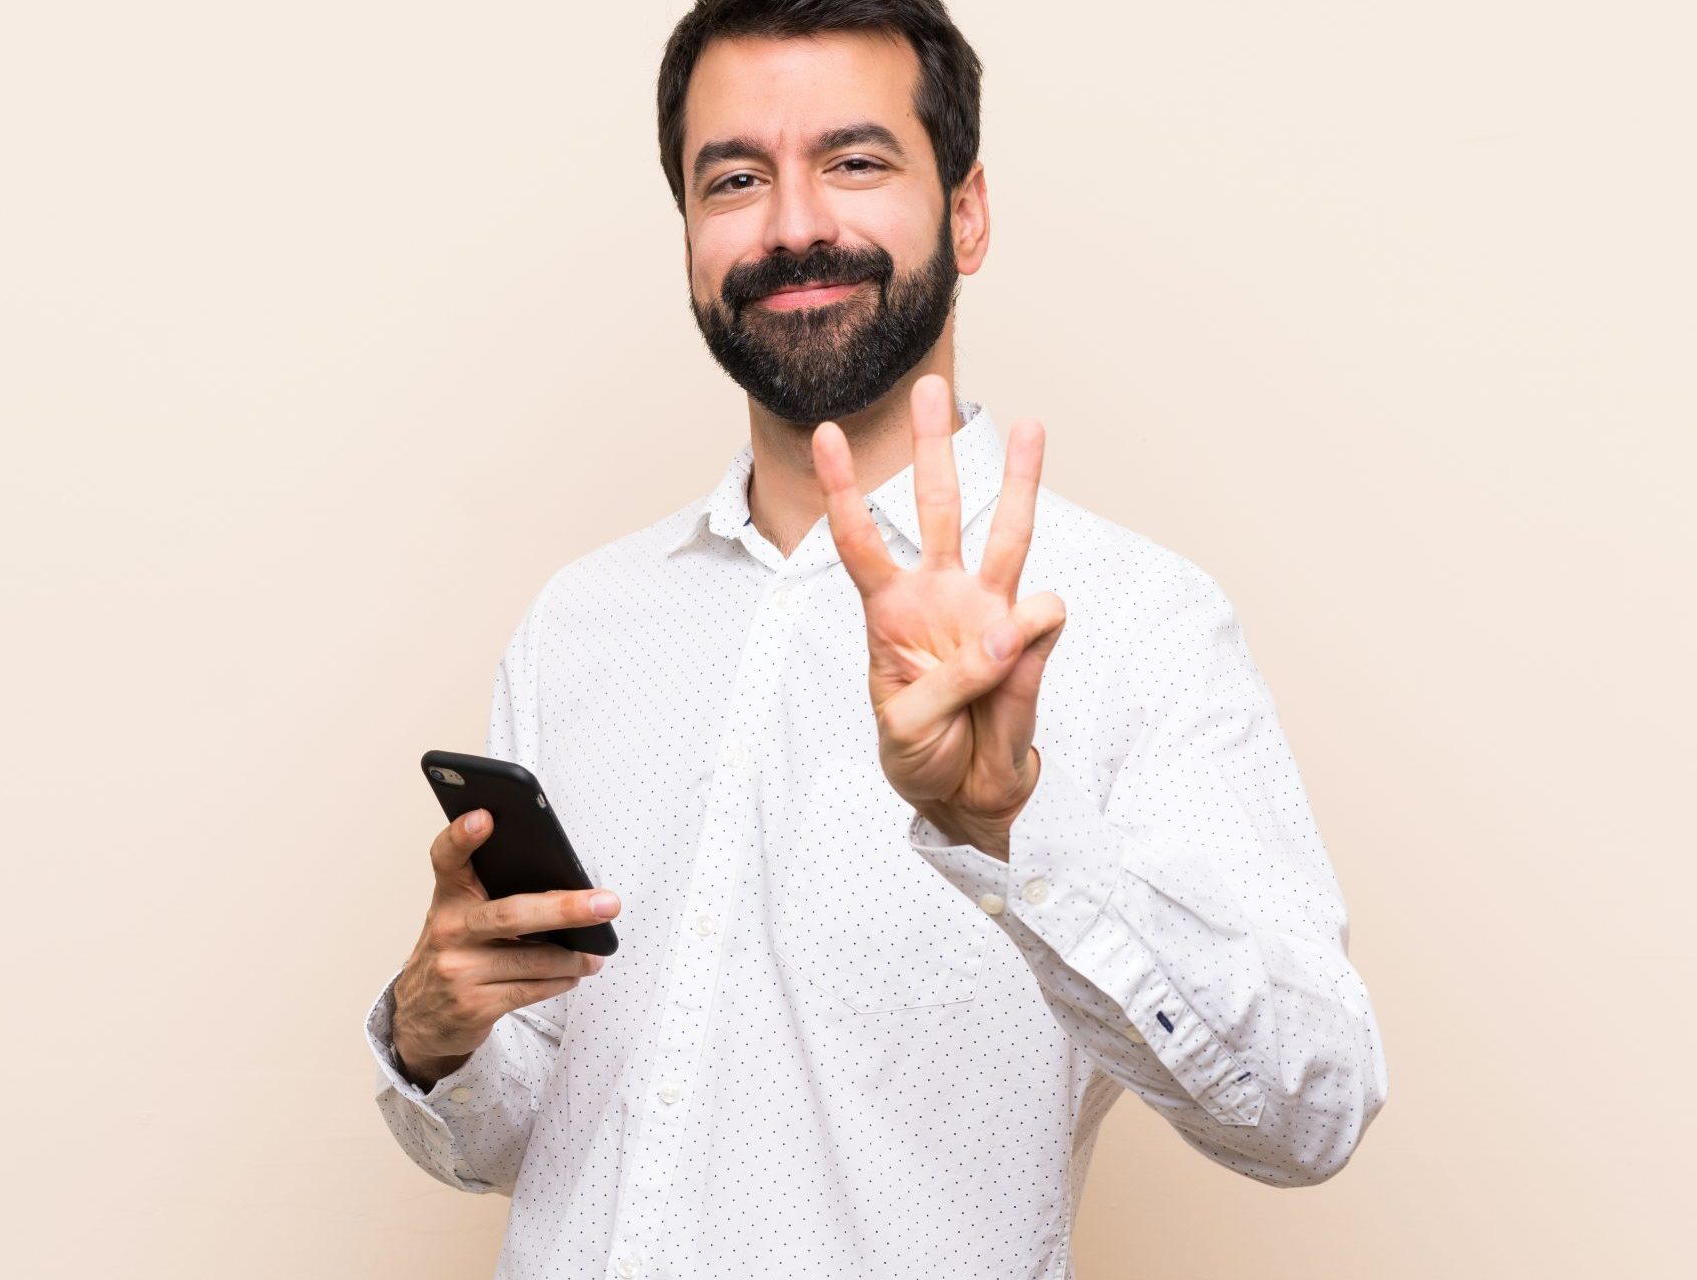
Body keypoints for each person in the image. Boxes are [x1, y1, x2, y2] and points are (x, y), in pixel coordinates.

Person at [364, 2, 1389, 1274]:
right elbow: (511, 1139)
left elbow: (1315, 1107)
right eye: (734, 177)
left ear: (965, 211)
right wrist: (432, 1034)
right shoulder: (582, 623)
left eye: (854, 162)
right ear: (687, 231)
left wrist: (1016, 837)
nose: (793, 225)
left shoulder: (1134, 619)